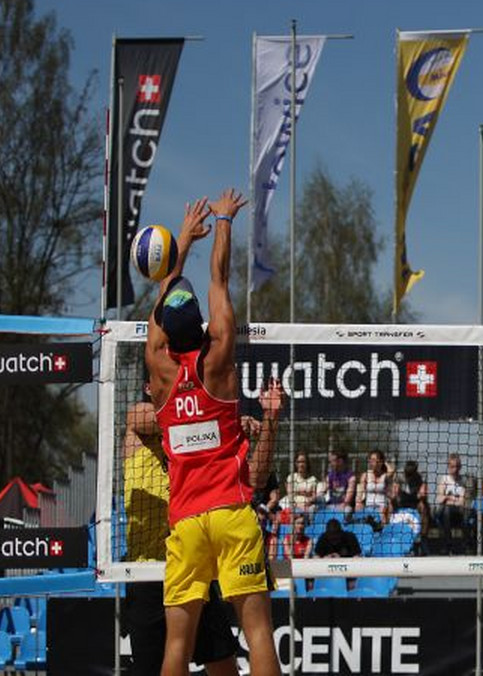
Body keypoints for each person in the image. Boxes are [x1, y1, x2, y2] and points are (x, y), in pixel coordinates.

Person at [144, 189, 279, 676]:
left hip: (186, 521)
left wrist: (179, 240)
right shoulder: (218, 359)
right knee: (259, 634)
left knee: (175, 649)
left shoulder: (158, 372)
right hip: (231, 513)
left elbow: (160, 314)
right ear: (199, 326)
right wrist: (223, 220)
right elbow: (219, 278)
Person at [122, 377, 279, 676]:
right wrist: (223, 420)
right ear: (148, 388)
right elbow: (149, 419)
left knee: (222, 663)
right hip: (150, 571)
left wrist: (262, 422)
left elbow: (255, 482)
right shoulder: (139, 424)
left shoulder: (203, 444)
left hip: (195, 563)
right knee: (155, 665)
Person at [434, 453, 472, 555]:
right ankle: (448, 545)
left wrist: (448, 498)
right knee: (446, 510)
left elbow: (462, 502)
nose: (455, 469)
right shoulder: (444, 479)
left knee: (467, 513)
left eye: (457, 467)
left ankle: (466, 545)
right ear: (448, 466)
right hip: (444, 512)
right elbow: (440, 499)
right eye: (452, 467)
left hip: (458, 513)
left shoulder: (463, 481)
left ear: (460, 467)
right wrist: (452, 499)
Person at [356, 450, 394, 524]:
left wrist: (384, 462)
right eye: (371, 460)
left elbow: (391, 471)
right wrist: (359, 502)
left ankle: (383, 529)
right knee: (359, 509)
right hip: (369, 506)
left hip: (382, 506)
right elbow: (360, 493)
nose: (372, 462)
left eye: (375, 460)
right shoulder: (365, 475)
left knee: (383, 512)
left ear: (380, 461)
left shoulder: (385, 476)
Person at [320, 450, 356, 515]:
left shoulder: (351, 477)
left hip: (344, 507)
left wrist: (343, 505)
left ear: (340, 461)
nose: (330, 464)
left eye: (332, 461)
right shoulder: (330, 475)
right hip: (330, 505)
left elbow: (348, 498)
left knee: (347, 511)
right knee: (313, 508)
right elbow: (323, 490)